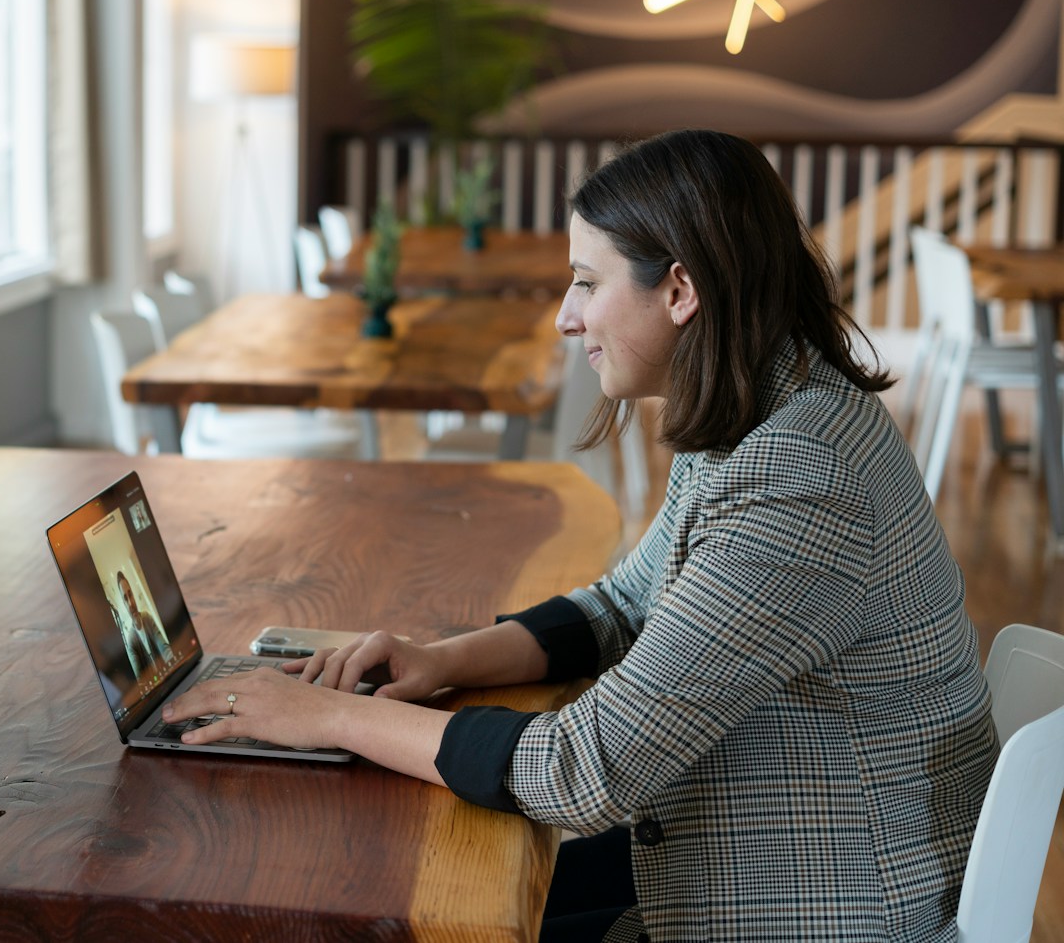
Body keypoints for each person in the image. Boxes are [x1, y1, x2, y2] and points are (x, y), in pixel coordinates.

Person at [161, 129, 999, 942]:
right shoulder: (769, 410)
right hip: (759, 858)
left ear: (679, 290)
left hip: (830, 907)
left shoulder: (803, 474)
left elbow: (584, 770)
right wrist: (441, 658)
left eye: (587, 283)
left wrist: (325, 719)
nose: (566, 317)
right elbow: (624, 604)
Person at [112, 569, 172, 679]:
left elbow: (164, 648)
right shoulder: (131, 641)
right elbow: (139, 679)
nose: (130, 603)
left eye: (130, 595)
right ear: (123, 604)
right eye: (125, 598)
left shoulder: (147, 618)